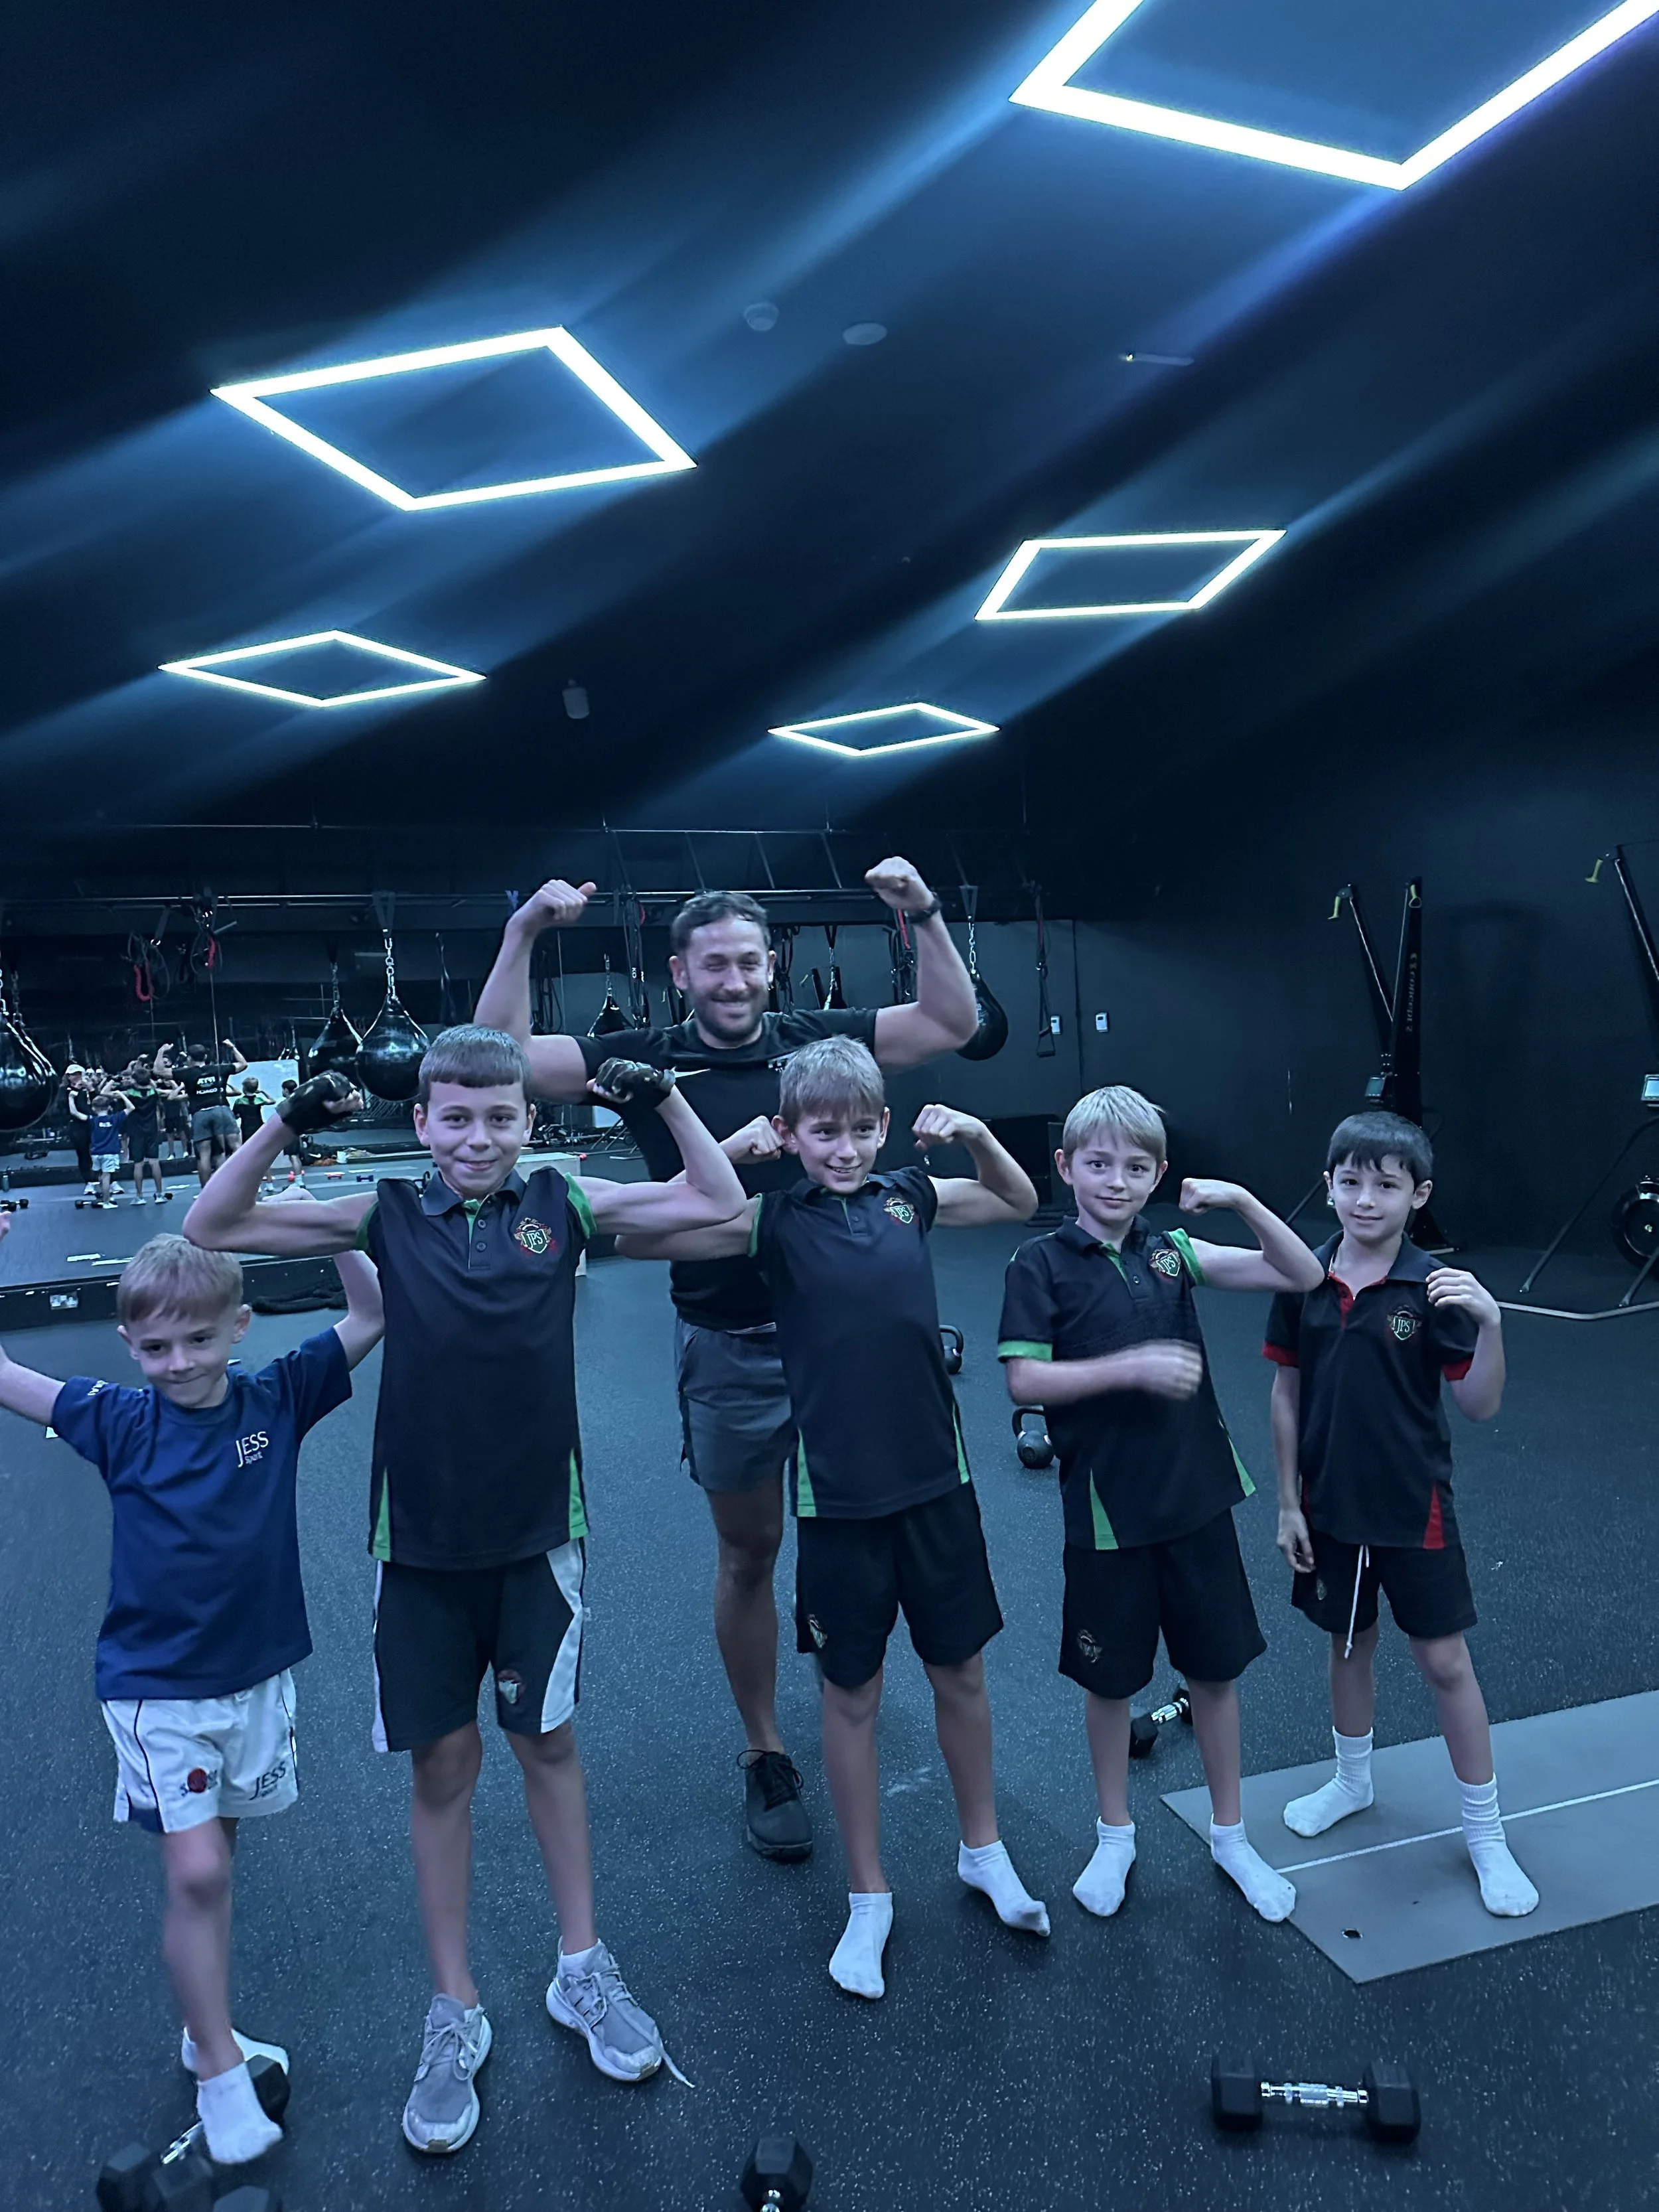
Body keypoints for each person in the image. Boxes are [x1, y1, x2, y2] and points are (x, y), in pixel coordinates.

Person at [184, 1031, 747, 2156]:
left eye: (498, 1118)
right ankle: (456, 2008)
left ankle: (581, 1969)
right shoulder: (387, 1210)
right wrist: (290, 1121)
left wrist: (672, 1098)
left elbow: (724, 1211)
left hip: (541, 1536)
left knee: (547, 1743)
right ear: (424, 1121)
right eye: (455, 1118)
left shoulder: (568, 1201)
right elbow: (213, 1225)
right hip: (421, 1547)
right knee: (444, 1767)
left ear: (526, 1123)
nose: (477, 1138)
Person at [472, 863, 979, 1862]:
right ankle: (764, 1749)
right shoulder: (641, 1058)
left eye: (750, 960)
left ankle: (880, 1683)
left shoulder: (817, 1045)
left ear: (771, 963)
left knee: (882, 1525)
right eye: (716, 965)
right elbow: (505, 1059)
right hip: (731, 1340)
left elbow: (948, 1023)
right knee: (750, 1552)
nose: (736, 980)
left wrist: (921, 909)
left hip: (847, 1346)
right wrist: (525, 927)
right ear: (681, 972)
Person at [617, 1038, 1044, 1998]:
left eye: (861, 1130)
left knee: (961, 1674)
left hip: (940, 1483)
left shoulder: (910, 1197)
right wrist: (731, 1147)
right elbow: (639, 1236)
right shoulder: (767, 1216)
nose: (845, 1149)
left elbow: (1016, 1200)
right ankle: (868, 1895)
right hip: (838, 1498)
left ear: (885, 1128)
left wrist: (974, 1131)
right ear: (791, 1134)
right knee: (850, 1693)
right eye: (823, 1132)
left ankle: (984, 1850)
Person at [0, 1220, 382, 2166]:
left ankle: (200, 2025)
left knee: (217, 1860)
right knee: (199, 1870)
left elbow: (375, 1310)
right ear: (129, 1345)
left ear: (239, 1326)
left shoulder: (278, 1398)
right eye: (157, 1346)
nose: (179, 1362)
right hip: (156, 1688)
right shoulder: (118, 1418)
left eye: (199, 1340)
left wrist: (331, 1223)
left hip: (253, 1681)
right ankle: (217, 2070)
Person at [998, 1085, 1325, 1926]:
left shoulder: (1173, 1249)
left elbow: (1302, 1272)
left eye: (1135, 1167)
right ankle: (1115, 1835)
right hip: (1109, 1516)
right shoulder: (1038, 1265)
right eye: (1098, 1164)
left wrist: (1245, 1200)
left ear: (1158, 1175)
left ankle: (1230, 1835)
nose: (1116, 1181)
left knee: (1213, 1676)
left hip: (1199, 1503)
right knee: (1109, 1684)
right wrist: (1131, 1367)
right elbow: (1025, 1381)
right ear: (1065, 1167)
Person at [1265, 1110, 1536, 1917]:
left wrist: (1492, 1325)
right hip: (1327, 1509)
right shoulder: (1304, 1277)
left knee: (1445, 1663)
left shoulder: (1436, 1289)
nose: (1364, 1199)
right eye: (1350, 1181)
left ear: (1417, 1195)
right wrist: (1287, 1504)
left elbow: (1479, 1405)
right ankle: (1351, 1781)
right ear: (1328, 1184)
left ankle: (1487, 1836)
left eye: (1385, 1185)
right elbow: (1285, 1395)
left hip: (1413, 1511)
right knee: (1348, 1644)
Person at [156, 1039, 249, 1188]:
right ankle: (245, 1184)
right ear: (205, 1057)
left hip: (200, 1114)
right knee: (235, 1147)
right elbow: (243, 1064)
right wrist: (232, 1048)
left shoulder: (186, 1073)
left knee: (204, 1155)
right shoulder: (219, 1068)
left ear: (189, 1059)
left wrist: (161, 1051)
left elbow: (159, 1071)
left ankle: (207, 1193)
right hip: (221, 1111)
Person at [124, 1059, 171, 1205]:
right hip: (152, 1130)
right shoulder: (154, 1093)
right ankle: (159, 1194)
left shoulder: (129, 1093)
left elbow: (105, 1093)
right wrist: (152, 1083)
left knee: (138, 1164)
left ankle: (139, 1196)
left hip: (136, 1132)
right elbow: (171, 1091)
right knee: (154, 1162)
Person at [88, 1080, 133, 1208]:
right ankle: (106, 1201)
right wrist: (122, 1095)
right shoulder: (115, 1118)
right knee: (107, 1176)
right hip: (111, 1151)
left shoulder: (93, 1120)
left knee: (101, 1175)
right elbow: (131, 1108)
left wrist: (71, 1099)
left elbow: (76, 1113)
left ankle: (105, 1195)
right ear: (109, 1107)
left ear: (93, 1108)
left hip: (96, 1152)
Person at [63, 1063, 96, 1194]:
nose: (77, 1077)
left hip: (93, 1123)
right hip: (77, 1125)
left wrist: (91, 1089)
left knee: (101, 1153)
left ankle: (109, 1180)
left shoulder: (87, 1089)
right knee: (83, 1155)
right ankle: (89, 1181)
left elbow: (99, 1101)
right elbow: (67, 1108)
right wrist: (76, 1090)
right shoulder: (65, 1091)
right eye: (73, 1075)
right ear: (69, 1077)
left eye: (78, 1074)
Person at [233, 1076, 275, 1147]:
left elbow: (235, 1116)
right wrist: (262, 1091)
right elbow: (272, 1101)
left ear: (244, 1089)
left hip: (246, 1129)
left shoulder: (239, 1102)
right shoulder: (259, 1100)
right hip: (259, 1127)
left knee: (248, 1147)